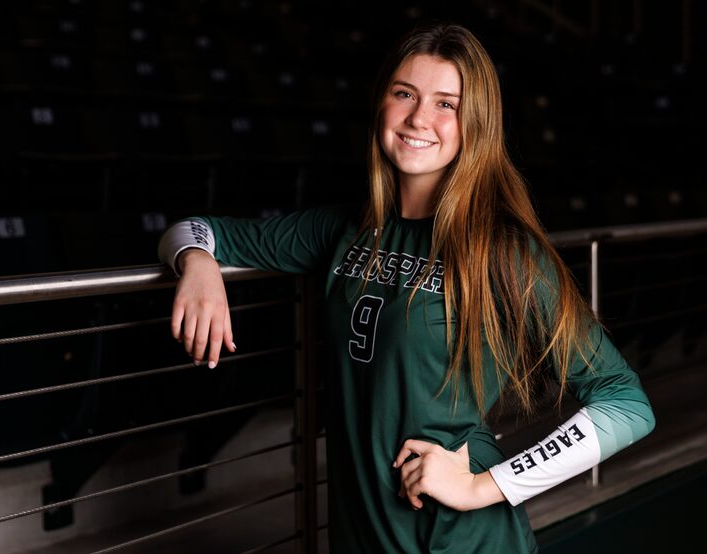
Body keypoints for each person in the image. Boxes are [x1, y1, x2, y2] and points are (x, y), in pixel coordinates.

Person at [158, 23, 655, 553]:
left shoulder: (501, 251)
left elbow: (626, 405)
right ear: (382, 104)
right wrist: (197, 264)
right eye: (404, 94)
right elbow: (191, 229)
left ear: (477, 125)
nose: (419, 118)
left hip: (458, 540)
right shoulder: (343, 230)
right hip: (362, 535)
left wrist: (484, 485)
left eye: (447, 104)